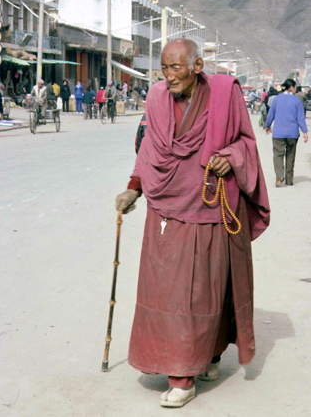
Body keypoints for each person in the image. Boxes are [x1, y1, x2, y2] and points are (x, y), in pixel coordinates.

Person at [115, 39, 270, 408]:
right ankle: (182, 371)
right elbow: (150, 147)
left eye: (177, 68)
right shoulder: (155, 98)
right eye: (164, 68)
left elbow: (246, 143)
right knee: (170, 294)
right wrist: (133, 189)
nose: (169, 76)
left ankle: (205, 360)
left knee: (207, 290)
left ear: (198, 65)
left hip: (210, 207)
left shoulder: (224, 94)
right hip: (166, 210)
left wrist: (230, 157)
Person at [265, 78, 308, 187]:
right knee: (290, 155)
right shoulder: (297, 100)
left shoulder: (277, 99)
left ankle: (279, 178)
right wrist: (305, 131)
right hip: (292, 133)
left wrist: (267, 126)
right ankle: (289, 180)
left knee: (278, 155)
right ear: (292, 88)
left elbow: (271, 114)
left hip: (278, 133)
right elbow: (300, 118)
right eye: (295, 87)